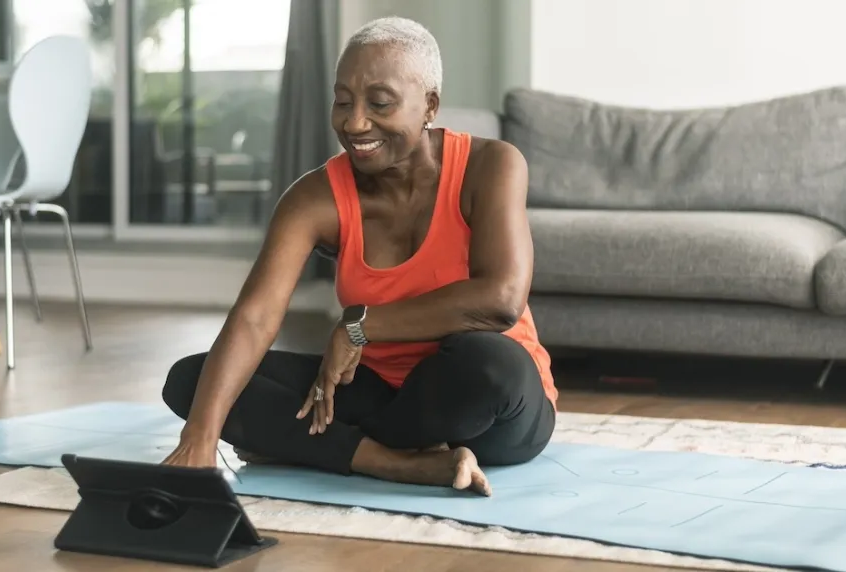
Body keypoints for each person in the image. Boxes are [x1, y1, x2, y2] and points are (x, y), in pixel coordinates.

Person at [160, 16, 558, 496]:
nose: (355, 123)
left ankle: (324, 447)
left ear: (430, 105)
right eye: (343, 101)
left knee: (490, 362)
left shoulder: (490, 164)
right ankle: (397, 463)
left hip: (487, 408)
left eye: (380, 103)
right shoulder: (314, 197)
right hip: (376, 390)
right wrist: (199, 440)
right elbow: (255, 317)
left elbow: (501, 300)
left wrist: (360, 326)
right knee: (194, 383)